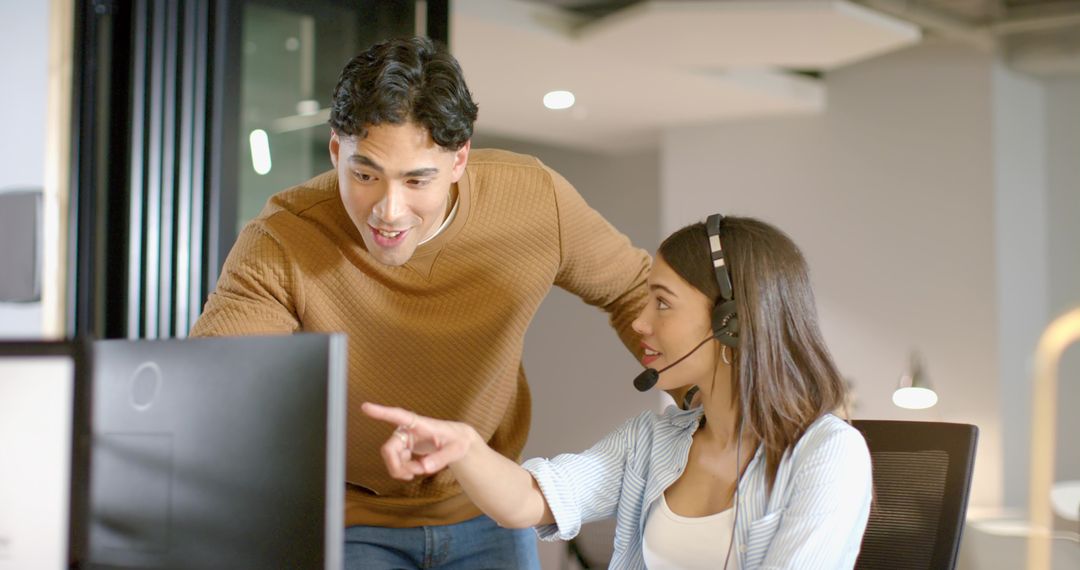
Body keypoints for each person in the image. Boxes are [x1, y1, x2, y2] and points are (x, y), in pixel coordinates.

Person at [189, 37, 652, 569]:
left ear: (459, 160)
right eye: (365, 175)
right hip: (348, 520)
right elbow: (218, 390)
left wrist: (704, 406)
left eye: (416, 180)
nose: (388, 210)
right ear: (336, 150)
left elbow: (635, 291)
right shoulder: (283, 237)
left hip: (488, 506)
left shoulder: (534, 201)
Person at [363, 214, 874, 569]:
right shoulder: (651, 442)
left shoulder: (829, 454)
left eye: (663, 303)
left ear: (730, 323)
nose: (640, 322)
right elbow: (528, 500)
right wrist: (464, 448)